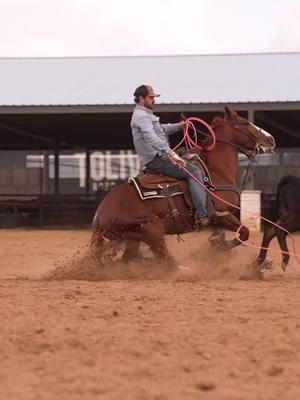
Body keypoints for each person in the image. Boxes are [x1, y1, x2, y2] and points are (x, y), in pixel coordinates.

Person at [130, 84, 227, 226]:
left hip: (158, 156)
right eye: (151, 98)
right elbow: (151, 137)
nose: (154, 101)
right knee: (194, 172)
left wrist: (178, 126)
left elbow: (160, 129)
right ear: (141, 98)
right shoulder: (142, 117)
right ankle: (202, 214)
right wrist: (170, 152)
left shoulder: (145, 115)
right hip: (155, 160)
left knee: (193, 162)